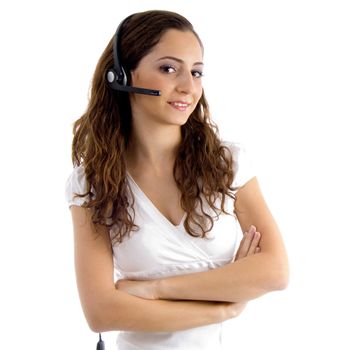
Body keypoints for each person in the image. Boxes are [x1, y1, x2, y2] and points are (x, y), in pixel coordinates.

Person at [64, 10, 289, 350]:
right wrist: (224, 306)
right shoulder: (91, 184)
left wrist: (154, 290)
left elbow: (274, 272)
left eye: (197, 72)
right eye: (169, 68)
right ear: (122, 75)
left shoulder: (227, 165)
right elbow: (101, 311)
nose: (188, 86)